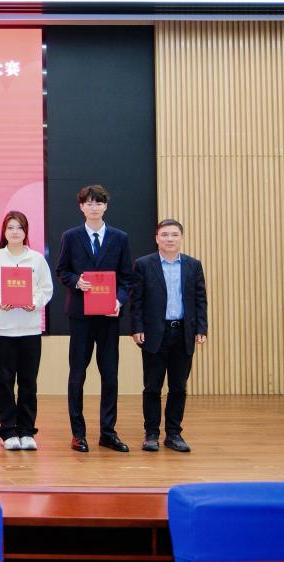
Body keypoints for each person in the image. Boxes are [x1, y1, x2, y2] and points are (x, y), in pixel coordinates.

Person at [55, 185, 134, 453]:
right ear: (81, 207)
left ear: (105, 206)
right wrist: (77, 281)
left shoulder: (120, 237)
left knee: (110, 375)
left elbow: (126, 278)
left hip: (109, 317)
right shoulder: (71, 236)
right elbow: (62, 270)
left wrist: (118, 301)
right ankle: (78, 434)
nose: (94, 207)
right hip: (80, 316)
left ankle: (108, 433)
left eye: (98, 203)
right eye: (88, 203)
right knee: (77, 375)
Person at [131, 219, 208, 453]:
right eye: (164, 235)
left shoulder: (193, 265)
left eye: (174, 234)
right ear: (157, 238)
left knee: (178, 387)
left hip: (183, 333)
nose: (170, 239)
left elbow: (200, 299)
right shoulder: (143, 264)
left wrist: (201, 329)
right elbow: (136, 300)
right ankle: (151, 434)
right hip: (154, 334)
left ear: (181, 237)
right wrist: (137, 327)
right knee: (152, 387)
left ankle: (174, 434)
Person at [0, 210, 53, 451]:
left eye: (19, 227)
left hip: (30, 330)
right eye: (10, 227)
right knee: (4, 381)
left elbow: (46, 288)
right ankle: (8, 431)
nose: (14, 232)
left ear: (25, 231)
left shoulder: (37, 259)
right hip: (3, 330)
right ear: (4, 231)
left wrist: (35, 302)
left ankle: (27, 431)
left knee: (28, 382)